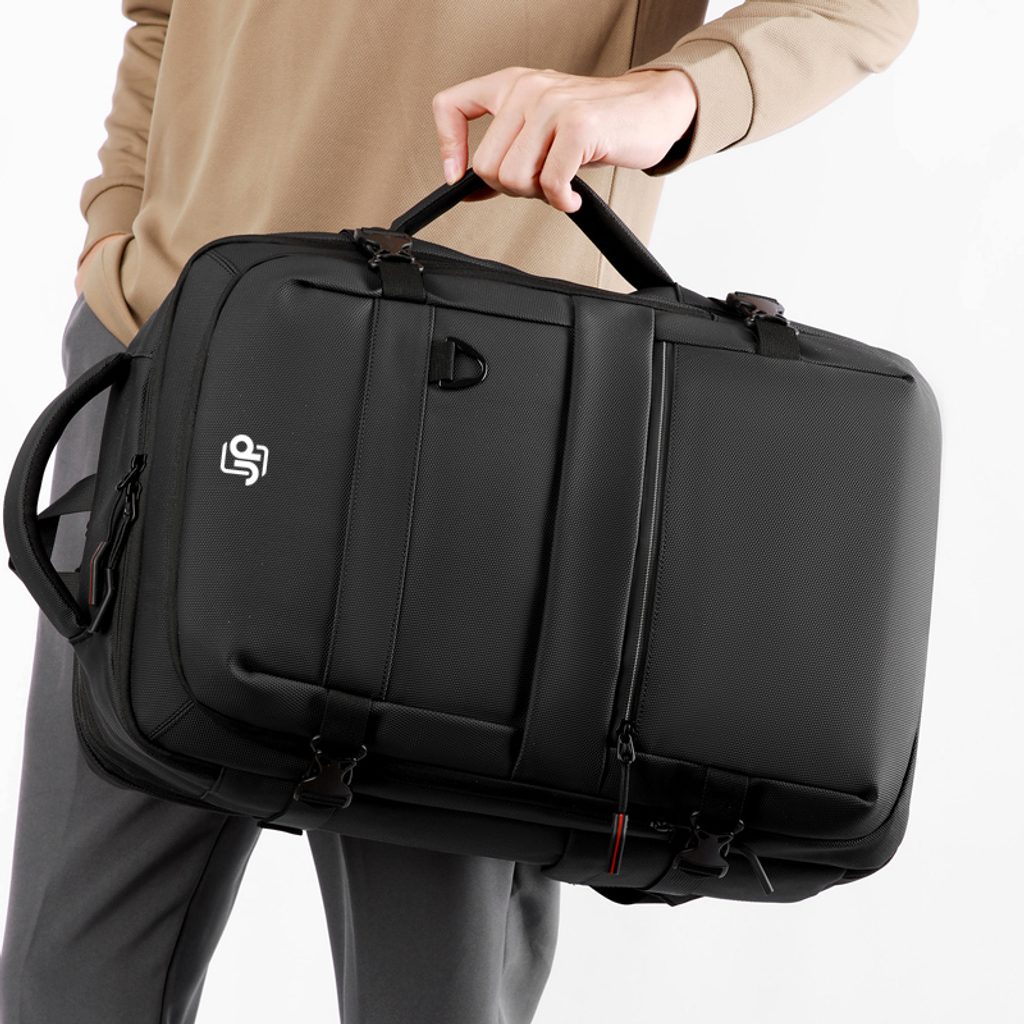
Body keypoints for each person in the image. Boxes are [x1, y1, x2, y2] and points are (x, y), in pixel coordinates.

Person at [0, 2, 917, 1021]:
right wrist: (117, 230)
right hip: (168, 362)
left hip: (477, 430)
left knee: (434, 989)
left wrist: (666, 96)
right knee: (65, 981)